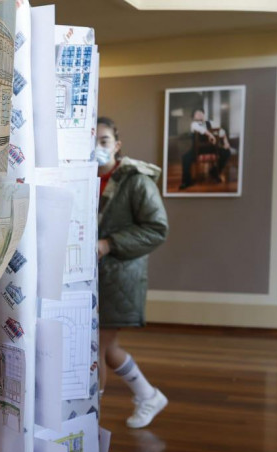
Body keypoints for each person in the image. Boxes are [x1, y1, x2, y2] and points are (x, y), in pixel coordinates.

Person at [96, 116, 169, 428]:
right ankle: (148, 394)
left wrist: (110, 244)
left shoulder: (136, 181)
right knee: (107, 349)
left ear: (117, 144)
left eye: (104, 141)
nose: (97, 147)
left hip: (117, 278)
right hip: (86, 278)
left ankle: (89, 417)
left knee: (94, 351)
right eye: (91, 141)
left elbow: (156, 229)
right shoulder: (80, 177)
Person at [179, 109, 232, 190]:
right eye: (197, 113)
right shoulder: (194, 124)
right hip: (197, 150)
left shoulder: (211, 122)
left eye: (201, 113)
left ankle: (214, 171)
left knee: (227, 152)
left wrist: (226, 142)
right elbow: (201, 130)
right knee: (185, 158)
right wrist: (210, 135)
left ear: (203, 114)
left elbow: (222, 132)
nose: (199, 114)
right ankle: (186, 181)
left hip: (211, 148)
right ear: (194, 117)